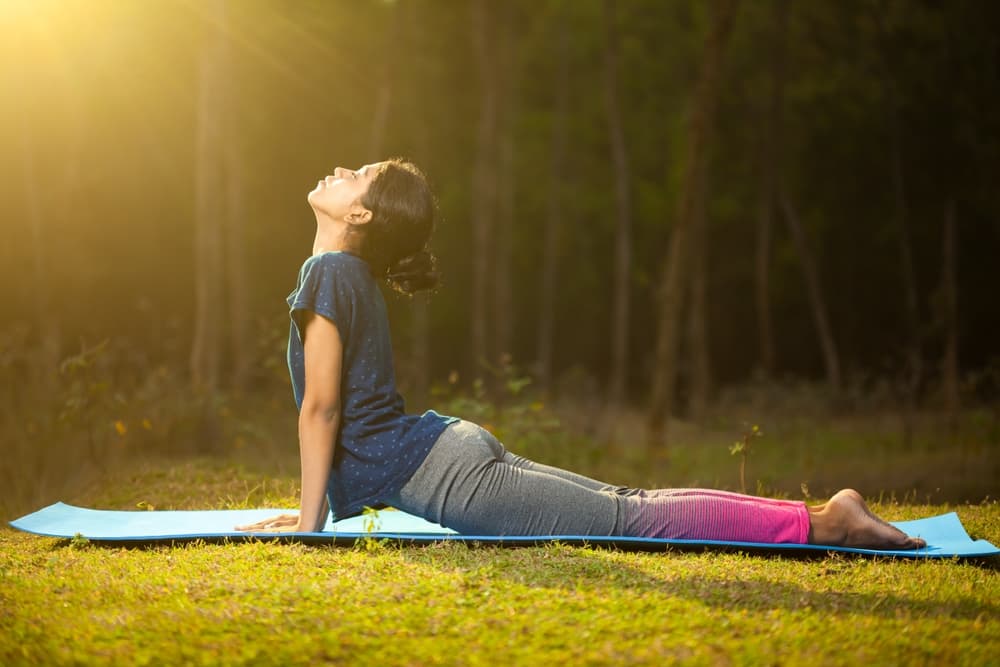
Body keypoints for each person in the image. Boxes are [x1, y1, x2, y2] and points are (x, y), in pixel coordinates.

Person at [236, 158, 925, 550]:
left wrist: (307, 523)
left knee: (633, 516)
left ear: (358, 216)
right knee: (631, 503)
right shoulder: (348, 277)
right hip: (447, 447)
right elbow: (339, 411)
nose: (340, 169)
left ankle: (827, 520)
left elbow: (323, 409)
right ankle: (820, 515)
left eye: (357, 174)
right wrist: (313, 514)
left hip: (449, 473)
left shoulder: (327, 274)